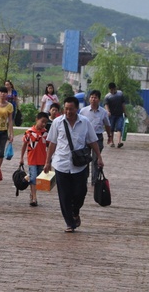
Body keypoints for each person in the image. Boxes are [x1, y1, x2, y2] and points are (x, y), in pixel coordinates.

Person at [44, 96, 103, 233]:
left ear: (77, 109)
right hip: (61, 163)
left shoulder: (85, 122)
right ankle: (70, 223)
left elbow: (92, 141)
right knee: (64, 196)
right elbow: (52, 143)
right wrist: (47, 162)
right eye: (66, 109)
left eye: (71, 109)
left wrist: (99, 157)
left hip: (79, 165)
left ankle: (75, 211)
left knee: (80, 192)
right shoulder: (57, 122)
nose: (68, 112)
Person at [79, 90, 112, 186]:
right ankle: (84, 179)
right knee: (85, 159)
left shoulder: (103, 112)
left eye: (95, 97)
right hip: (85, 137)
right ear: (89, 99)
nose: (93, 99)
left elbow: (107, 125)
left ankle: (95, 180)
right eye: (92, 97)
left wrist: (109, 136)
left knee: (96, 159)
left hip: (98, 137)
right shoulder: (83, 111)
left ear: (99, 99)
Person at [19, 112, 49, 207]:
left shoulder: (45, 133)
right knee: (33, 179)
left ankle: (27, 180)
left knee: (37, 177)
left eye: (45, 122)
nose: (43, 124)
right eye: (42, 121)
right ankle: (34, 198)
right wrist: (21, 158)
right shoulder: (29, 132)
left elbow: (49, 146)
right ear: (37, 119)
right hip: (32, 159)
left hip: (42, 159)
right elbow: (24, 145)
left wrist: (49, 160)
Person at [104, 82, 126, 148]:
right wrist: (108, 111)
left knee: (119, 128)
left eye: (113, 89)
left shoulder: (120, 94)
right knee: (111, 129)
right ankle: (111, 142)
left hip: (119, 114)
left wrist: (125, 112)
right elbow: (106, 105)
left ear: (115, 88)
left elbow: (123, 104)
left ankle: (119, 142)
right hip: (111, 115)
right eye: (110, 90)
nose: (112, 91)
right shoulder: (107, 96)